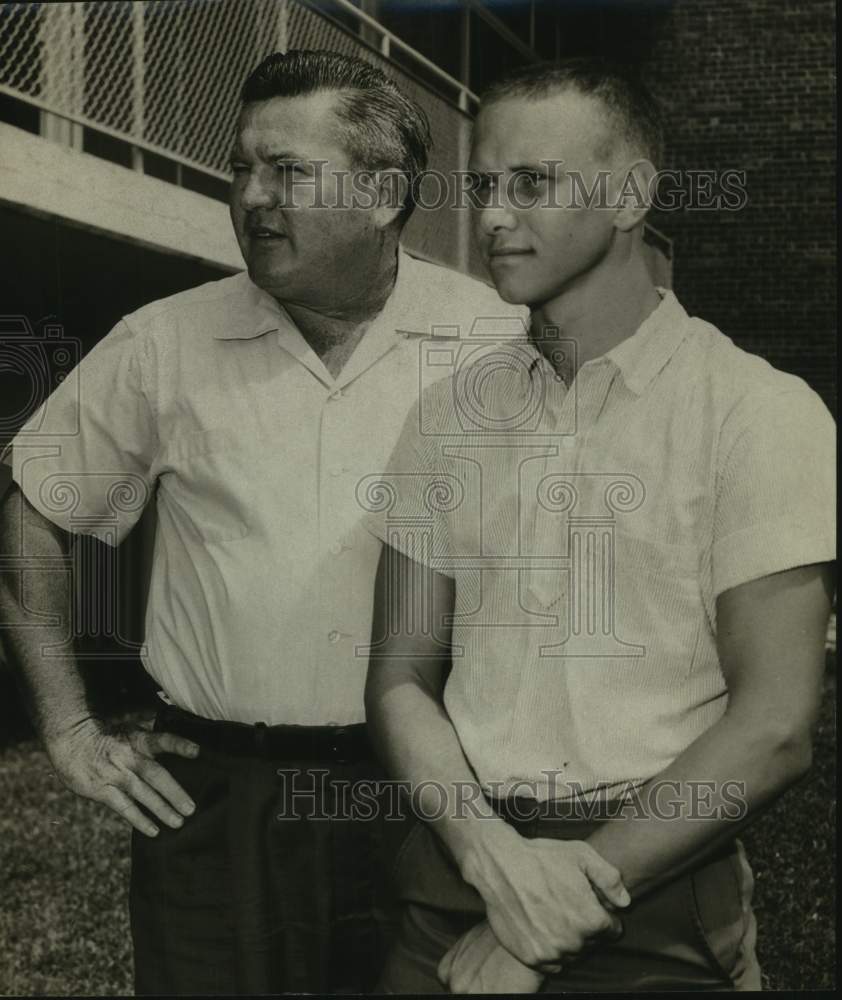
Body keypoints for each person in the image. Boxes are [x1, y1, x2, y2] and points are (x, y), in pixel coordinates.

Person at [0, 49, 523, 994]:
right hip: (216, 798)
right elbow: (34, 513)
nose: (250, 196)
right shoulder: (163, 342)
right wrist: (70, 726)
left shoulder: (492, 343)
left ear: (384, 194)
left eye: (288, 170)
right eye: (242, 167)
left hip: (421, 797)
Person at [364, 58, 836, 993]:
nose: (493, 215)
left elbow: (776, 724)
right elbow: (399, 675)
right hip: (460, 869)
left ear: (629, 195)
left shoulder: (757, 411)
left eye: (530, 184)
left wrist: (555, 905)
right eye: (485, 186)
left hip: (658, 891)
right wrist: (494, 862)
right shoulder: (448, 416)